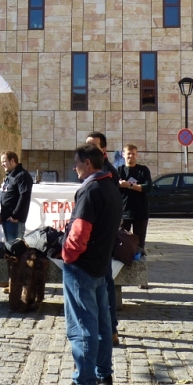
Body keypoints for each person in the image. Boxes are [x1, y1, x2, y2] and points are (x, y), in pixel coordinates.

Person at [55, 144, 123, 385]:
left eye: (76, 163)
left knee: (83, 324)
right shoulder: (111, 187)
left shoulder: (92, 190)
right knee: (103, 322)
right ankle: (102, 373)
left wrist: (68, 256)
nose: (74, 167)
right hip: (100, 263)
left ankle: (83, 384)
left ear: (87, 163)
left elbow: (80, 231)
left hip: (82, 266)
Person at [85, 132, 120, 347]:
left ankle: (111, 329)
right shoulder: (94, 169)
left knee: (106, 284)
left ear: (103, 150)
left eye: (93, 146)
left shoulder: (108, 172)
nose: (88, 149)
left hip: (103, 238)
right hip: (96, 239)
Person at [118, 144, 153, 255]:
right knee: (121, 242)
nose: (131, 156)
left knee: (139, 244)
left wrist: (129, 185)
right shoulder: (119, 171)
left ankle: (139, 265)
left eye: (133, 154)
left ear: (137, 155)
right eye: (128, 154)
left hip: (140, 212)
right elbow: (113, 186)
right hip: (124, 212)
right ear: (123, 155)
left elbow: (148, 187)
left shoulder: (143, 170)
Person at [0, 151, 34, 242]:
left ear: (12, 161)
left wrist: (15, 215)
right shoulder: (10, 176)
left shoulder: (22, 175)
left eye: (4, 161)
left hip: (14, 221)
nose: (2, 164)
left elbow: (24, 197)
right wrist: (2, 215)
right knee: (10, 250)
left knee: (15, 250)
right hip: (7, 219)